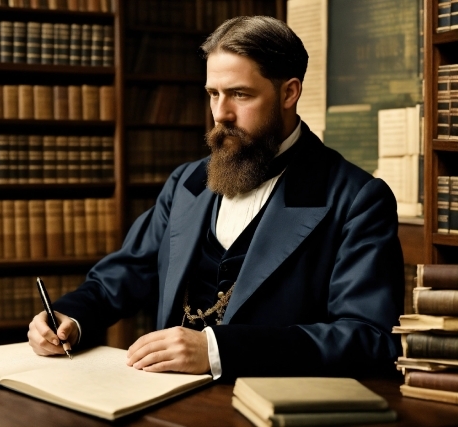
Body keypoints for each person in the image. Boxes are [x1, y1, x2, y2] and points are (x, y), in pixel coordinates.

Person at [28, 16, 404, 381]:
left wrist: (217, 350)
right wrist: (70, 317)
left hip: (270, 407)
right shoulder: (188, 181)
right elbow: (126, 274)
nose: (220, 114)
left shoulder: (357, 199)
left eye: (240, 94)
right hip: (164, 397)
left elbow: (368, 338)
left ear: (289, 92)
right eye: (213, 94)